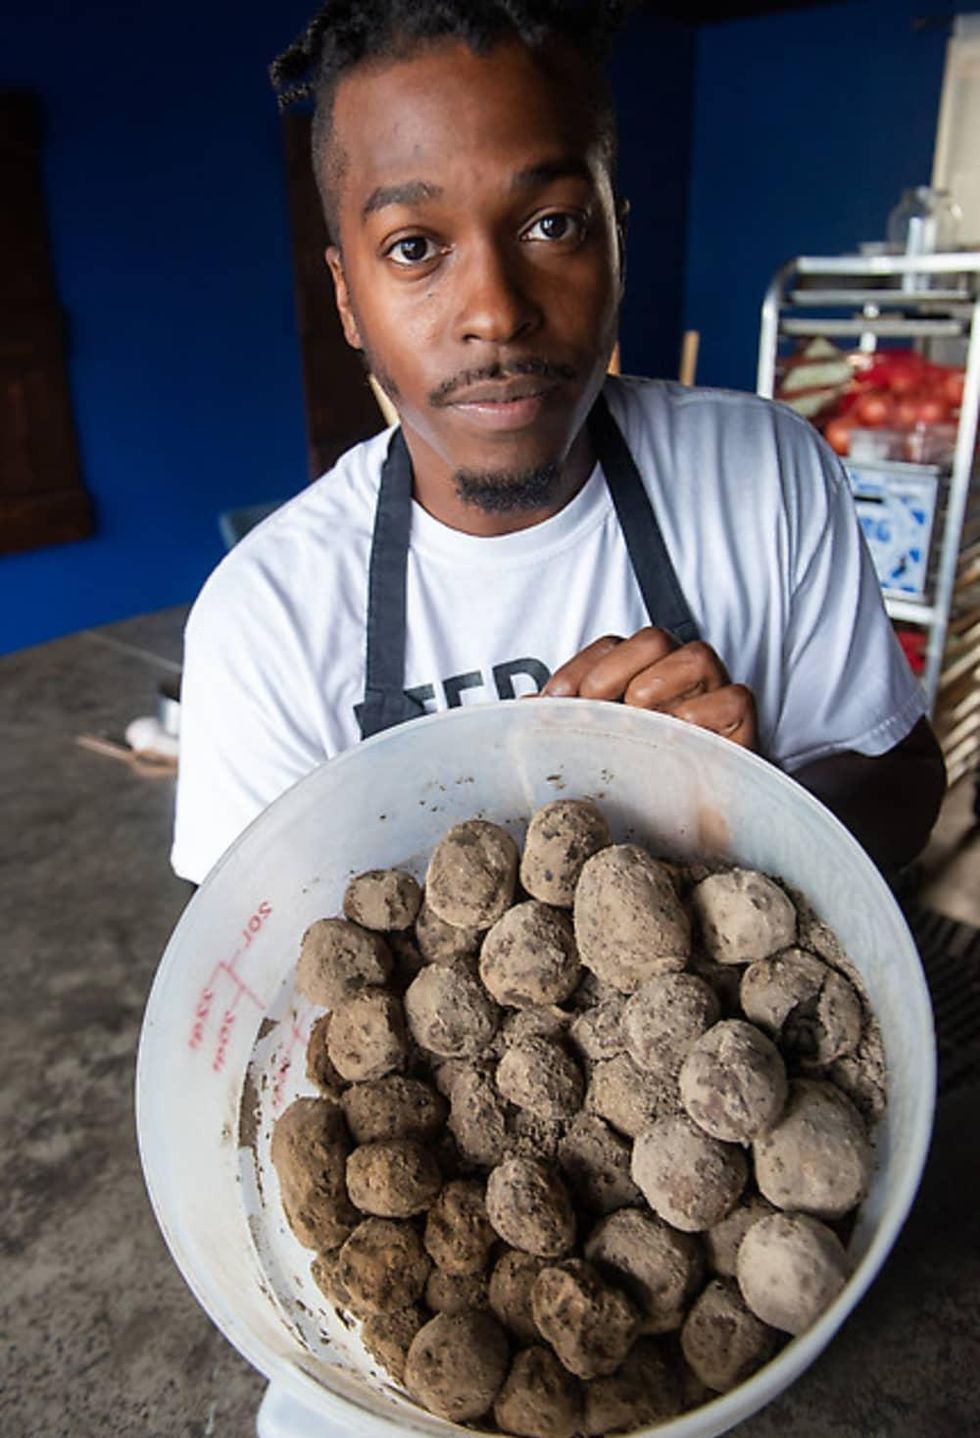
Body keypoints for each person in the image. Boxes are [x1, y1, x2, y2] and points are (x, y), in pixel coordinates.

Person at [171, 0, 945, 886]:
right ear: (347, 297)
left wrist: (748, 807)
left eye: (552, 225)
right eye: (415, 246)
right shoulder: (264, 620)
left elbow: (907, 780)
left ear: (619, 240)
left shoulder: (766, 474)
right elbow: (249, 973)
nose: (498, 312)